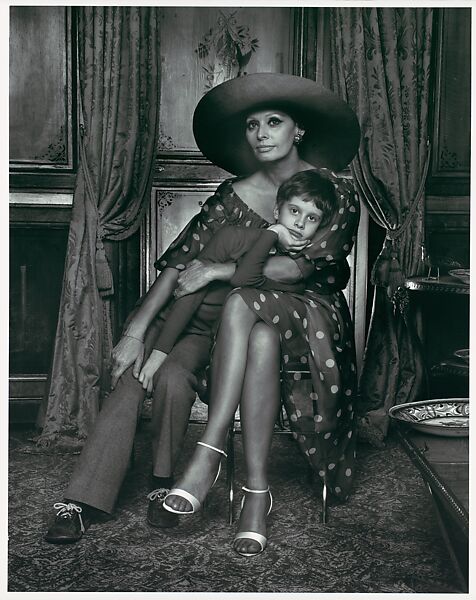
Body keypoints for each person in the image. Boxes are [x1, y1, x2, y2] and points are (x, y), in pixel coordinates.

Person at [44, 73, 360, 548]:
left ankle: (202, 468)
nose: (261, 133)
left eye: (274, 122)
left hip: (298, 315)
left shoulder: (332, 193)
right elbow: (178, 266)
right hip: (213, 317)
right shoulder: (231, 196)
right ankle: (86, 498)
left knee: (256, 329)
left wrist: (216, 271)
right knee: (145, 371)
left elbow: (304, 269)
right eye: (253, 124)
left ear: (298, 130)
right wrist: (136, 329)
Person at [138, 169, 338, 394]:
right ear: (276, 210)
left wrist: (272, 232)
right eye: (294, 211)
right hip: (173, 316)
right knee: (134, 379)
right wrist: (159, 353)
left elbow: (246, 277)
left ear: (319, 227)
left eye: (311, 218)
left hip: (209, 338)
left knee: (172, 378)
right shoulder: (233, 236)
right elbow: (189, 291)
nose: (300, 223)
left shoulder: (300, 270)